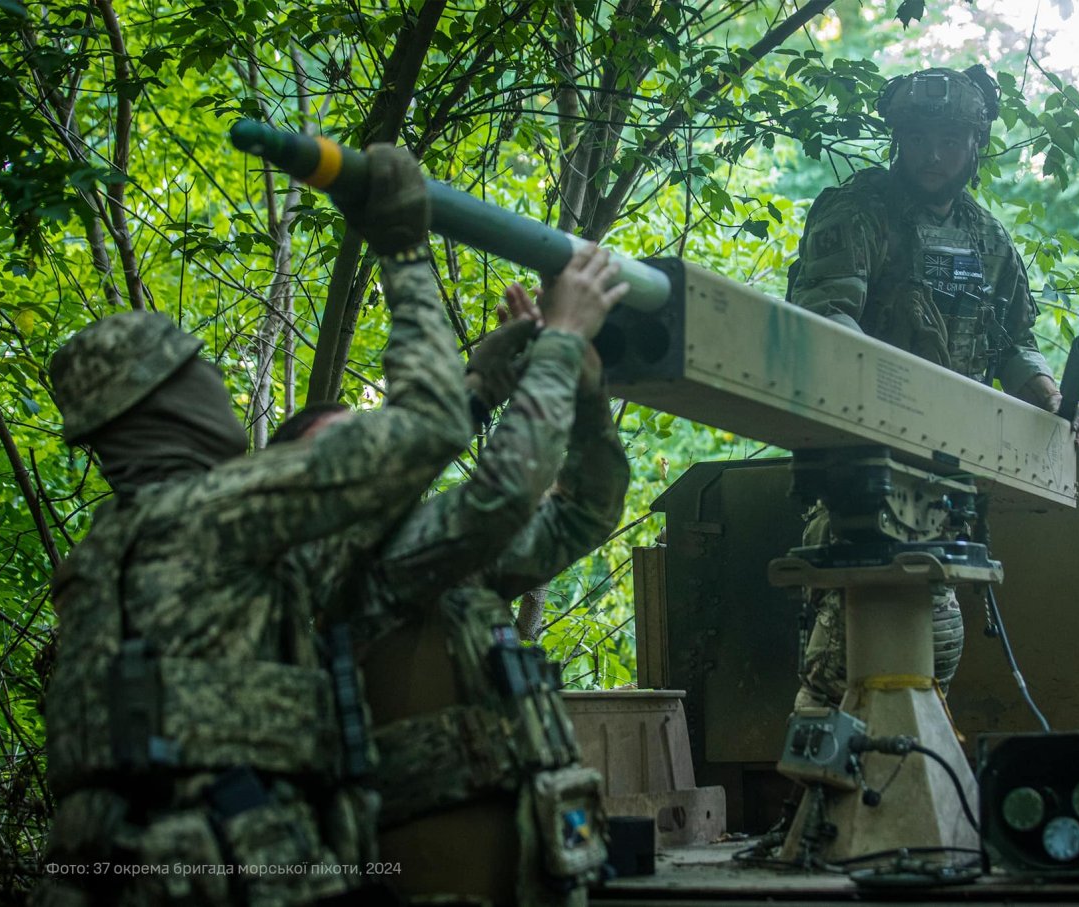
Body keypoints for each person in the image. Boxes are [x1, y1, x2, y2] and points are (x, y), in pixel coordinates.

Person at [34, 145, 472, 906]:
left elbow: (339, 543)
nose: (218, 389)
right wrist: (403, 247)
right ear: (168, 402)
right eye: (198, 374)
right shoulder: (214, 513)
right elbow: (429, 427)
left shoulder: (113, 547)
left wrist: (493, 372)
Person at [273, 246, 631, 906]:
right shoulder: (332, 572)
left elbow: (586, 510)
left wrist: (581, 390)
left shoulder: (442, 559)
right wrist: (552, 347)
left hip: (537, 873)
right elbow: (505, 493)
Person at [786, 65, 1079, 710]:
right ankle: (822, 801)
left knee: (936, 645)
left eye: (949, 139)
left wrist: (1047, 395)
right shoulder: (859, 210)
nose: (932, 154)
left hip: (947, 472)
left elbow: (1014, 344)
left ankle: (898, 792)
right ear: (899, 140)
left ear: (975, 145)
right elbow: (825, 317)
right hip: (859, 459)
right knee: (850, 652)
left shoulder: (987, 238)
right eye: (918, 137)